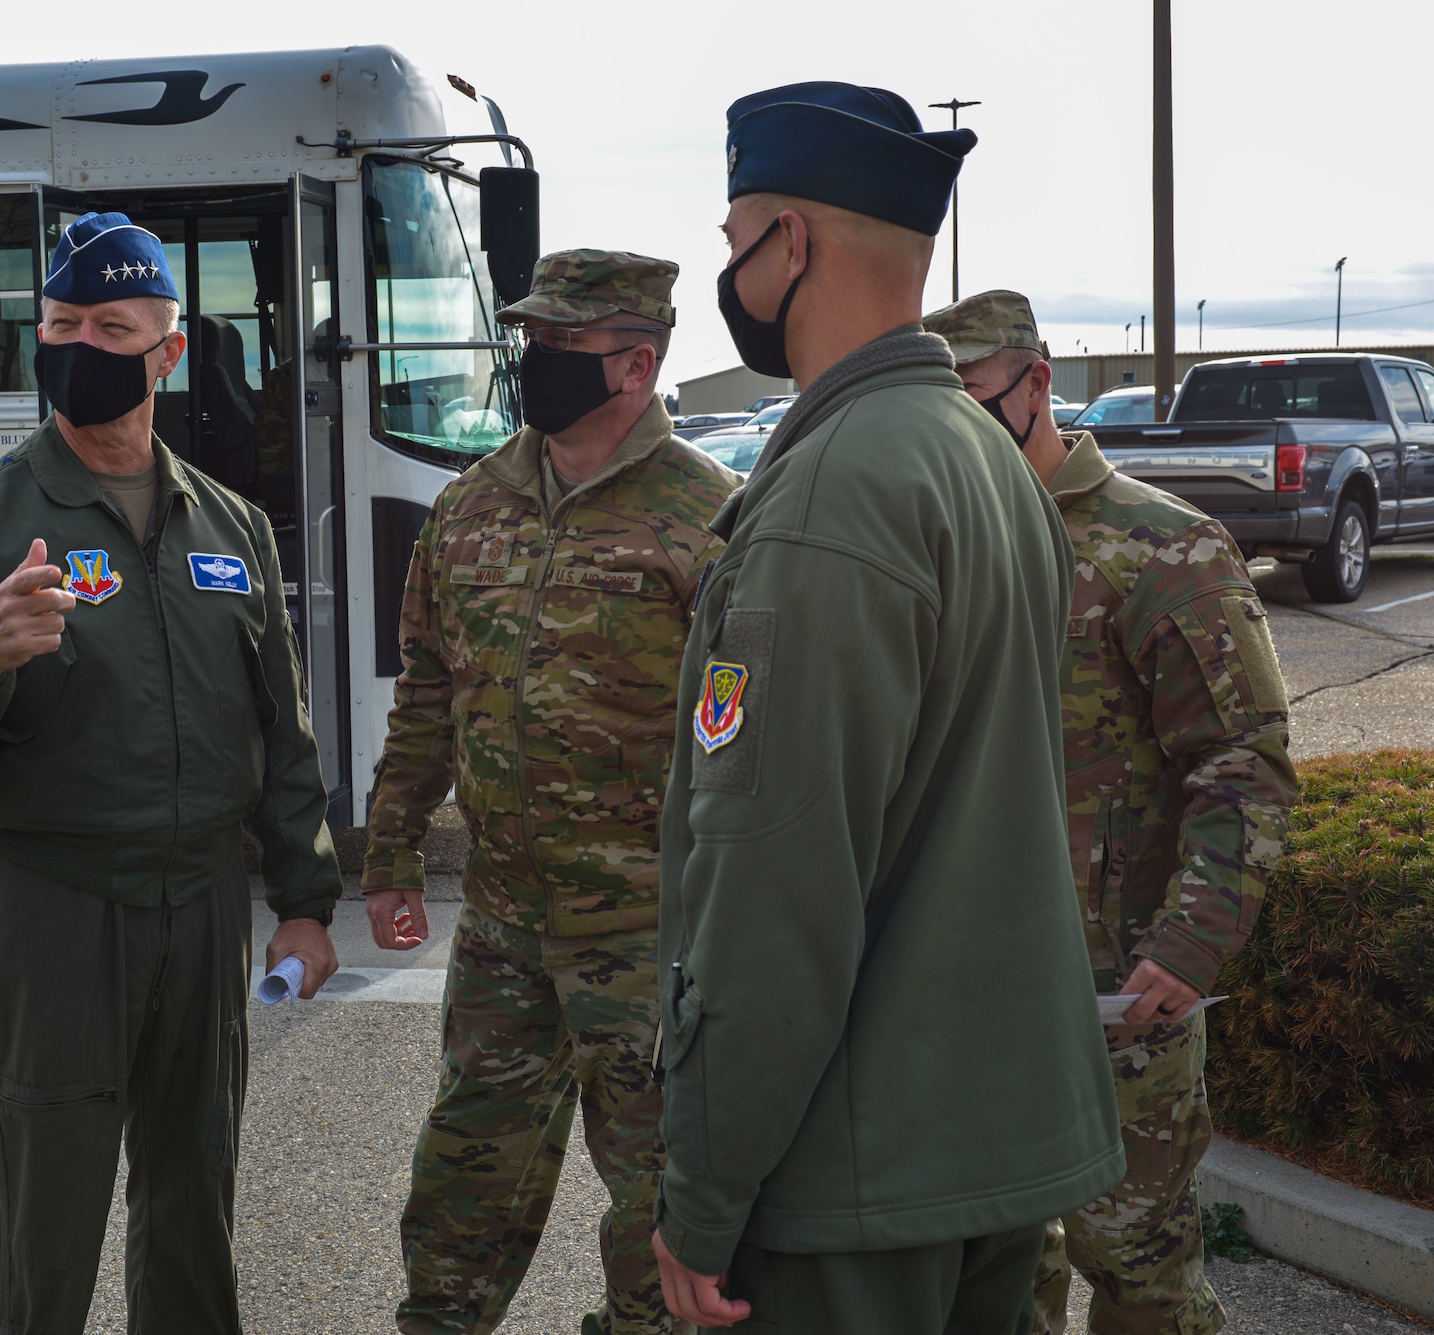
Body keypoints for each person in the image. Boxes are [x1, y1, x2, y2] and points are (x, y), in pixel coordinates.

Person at [651, 84, 1127, 1333]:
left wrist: (701, 1192)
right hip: (980, 1145)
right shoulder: (981, 455)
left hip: (851, 1175)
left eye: (732, 239)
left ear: (788, 244)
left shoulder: (828, 494)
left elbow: (775, 886)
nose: (728, 269)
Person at [0, 211, 341, 1335]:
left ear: (167, 354)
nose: (78, 342)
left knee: (193, 1197)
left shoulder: (226, 522)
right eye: (60, 322)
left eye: (110, 326)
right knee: (44, 1204)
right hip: (49, 908)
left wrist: (308, 900)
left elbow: (282, 728)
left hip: (201, 900)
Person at [363, 249, 737, 1335]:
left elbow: (747, 747)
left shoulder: (712, 521)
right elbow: (426, 691)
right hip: (500, 925)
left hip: (651, 935)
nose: (530, 364)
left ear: (636, 364)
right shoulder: (471, 506)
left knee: (658, 1207)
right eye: (527, 342)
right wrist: (390, 858)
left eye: (556, 347)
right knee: (463, 1175)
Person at [925, 290, 1296, 1335]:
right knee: (989, 1275)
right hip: (955, 987)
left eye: (973, 401)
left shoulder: (1159, 549)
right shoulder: (935, 539)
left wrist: (1188, 946)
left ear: (1036, 386)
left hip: (1115, 997)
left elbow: (1242, 760)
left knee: (1135, 1274)